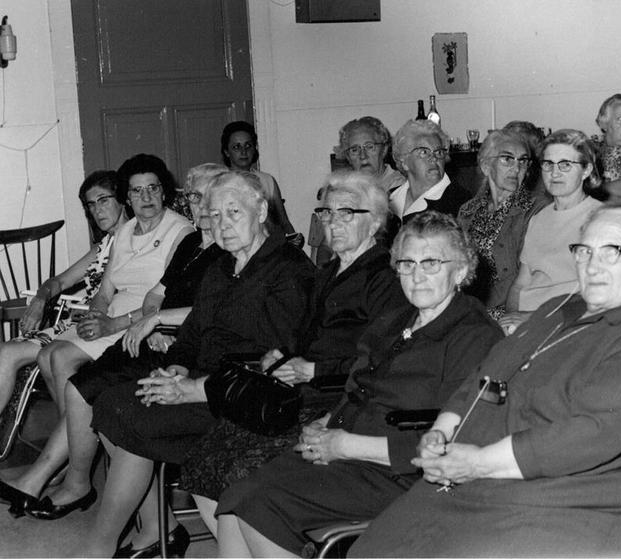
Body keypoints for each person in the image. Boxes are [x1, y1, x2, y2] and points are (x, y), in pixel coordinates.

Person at [350, 206, 621, 558]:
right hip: (477, 479)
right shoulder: (557, 309)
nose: (592, 265)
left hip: (572, 500)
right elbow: (483, 375)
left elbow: (589, 434)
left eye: (612, 252)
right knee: (369, 551)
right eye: (584, 251)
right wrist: (441, 432)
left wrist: (478, 462)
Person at [214, 211, 504, 557]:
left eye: (431, 263)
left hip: (403, 473)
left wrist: (345, 445)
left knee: (262, 505)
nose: (417, 276)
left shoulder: (475, 335)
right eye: (407, 264)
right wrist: (326, 423)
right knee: (236, 496)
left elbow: (459, 436)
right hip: (349, 453)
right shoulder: (394, 321)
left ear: (459, 271)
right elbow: (359, 388)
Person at [76, 170, 315, 558]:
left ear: (260, 211)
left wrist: (192, 389)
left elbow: (274, 356)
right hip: (203, 379)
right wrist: (177, 369)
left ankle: (103, 546)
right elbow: (192, 333)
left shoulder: (288, 268)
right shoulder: (222, 266)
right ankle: (142, 532)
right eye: (215, 214)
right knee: (114, 402)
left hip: (244, 395)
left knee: (134, 413)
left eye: (233, 212)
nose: (223, 224)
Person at [176, 170, 409, 534]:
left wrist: (314, 371)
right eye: (327, 213)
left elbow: (384, 359)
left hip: (340, 400)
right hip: (297, 392)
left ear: (376, 221)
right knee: (202, 461)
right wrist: (282, 356)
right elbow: (301, 336)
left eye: (347, 213)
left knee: (238, 472)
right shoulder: (327, 271)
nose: (333, 223)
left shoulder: (385, 278)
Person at [20, 164, 227, 525]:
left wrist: (151, 321)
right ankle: (79, 471)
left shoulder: (194, 237)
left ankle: (72, 478)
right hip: (145, 330)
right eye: (195, 197)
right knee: (69, 374)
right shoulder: (191, 243)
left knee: (86, 389)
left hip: (169, 343)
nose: (202, 206)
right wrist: (139, 318)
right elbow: (155, 294)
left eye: (152, 188)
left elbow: (207, 311)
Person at [0, 171, 127, 419]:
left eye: (103, 200)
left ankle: (74, 432)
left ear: (122, 199)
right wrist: (40, 299)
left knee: (49, 355)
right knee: (5, 352)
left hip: (108, 325)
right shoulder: (103, 247)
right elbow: (59, 281)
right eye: (91, 204)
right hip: (78, 323)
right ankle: (72, 431)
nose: (97, 210)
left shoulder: (135, 240)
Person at [501, 129, 604, 334]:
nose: (554, 173)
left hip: (566, 321)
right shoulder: (538, 218)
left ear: (586, 170)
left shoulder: (601, 218)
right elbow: (520, 284)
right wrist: (510, 319)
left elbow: (600, 290)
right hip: (525, 321)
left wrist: (535, 318)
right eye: (548, 164)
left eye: (565, 165)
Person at [456, 129, 550, 313]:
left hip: (510, 309)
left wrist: (478, 309)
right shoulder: (467, 211)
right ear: (486, 165)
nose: (516, 168)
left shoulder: (536, 210)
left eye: (523, 161)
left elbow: (528, 277)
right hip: (469, 306)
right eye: (507, 159)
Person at [310, 117, 405, 265]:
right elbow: (326, 245)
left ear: (384, 149)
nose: (363, 156)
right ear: (347, 156)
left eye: (369, 147)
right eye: (355, 150)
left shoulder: (400, 188)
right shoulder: (341, 189)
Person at [220, 121, 296, 237]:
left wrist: (293, 240)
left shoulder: (267, 180)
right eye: (236, 147)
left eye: (248, 146)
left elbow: (283, 221)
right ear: (227, 152)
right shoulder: (219, 183)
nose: (243, 151)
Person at [388, 119, 472, 222]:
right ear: (404, 162)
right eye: (424, 152)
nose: (434, 158)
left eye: (439, 152)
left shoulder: (460, 203)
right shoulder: (388, 199)